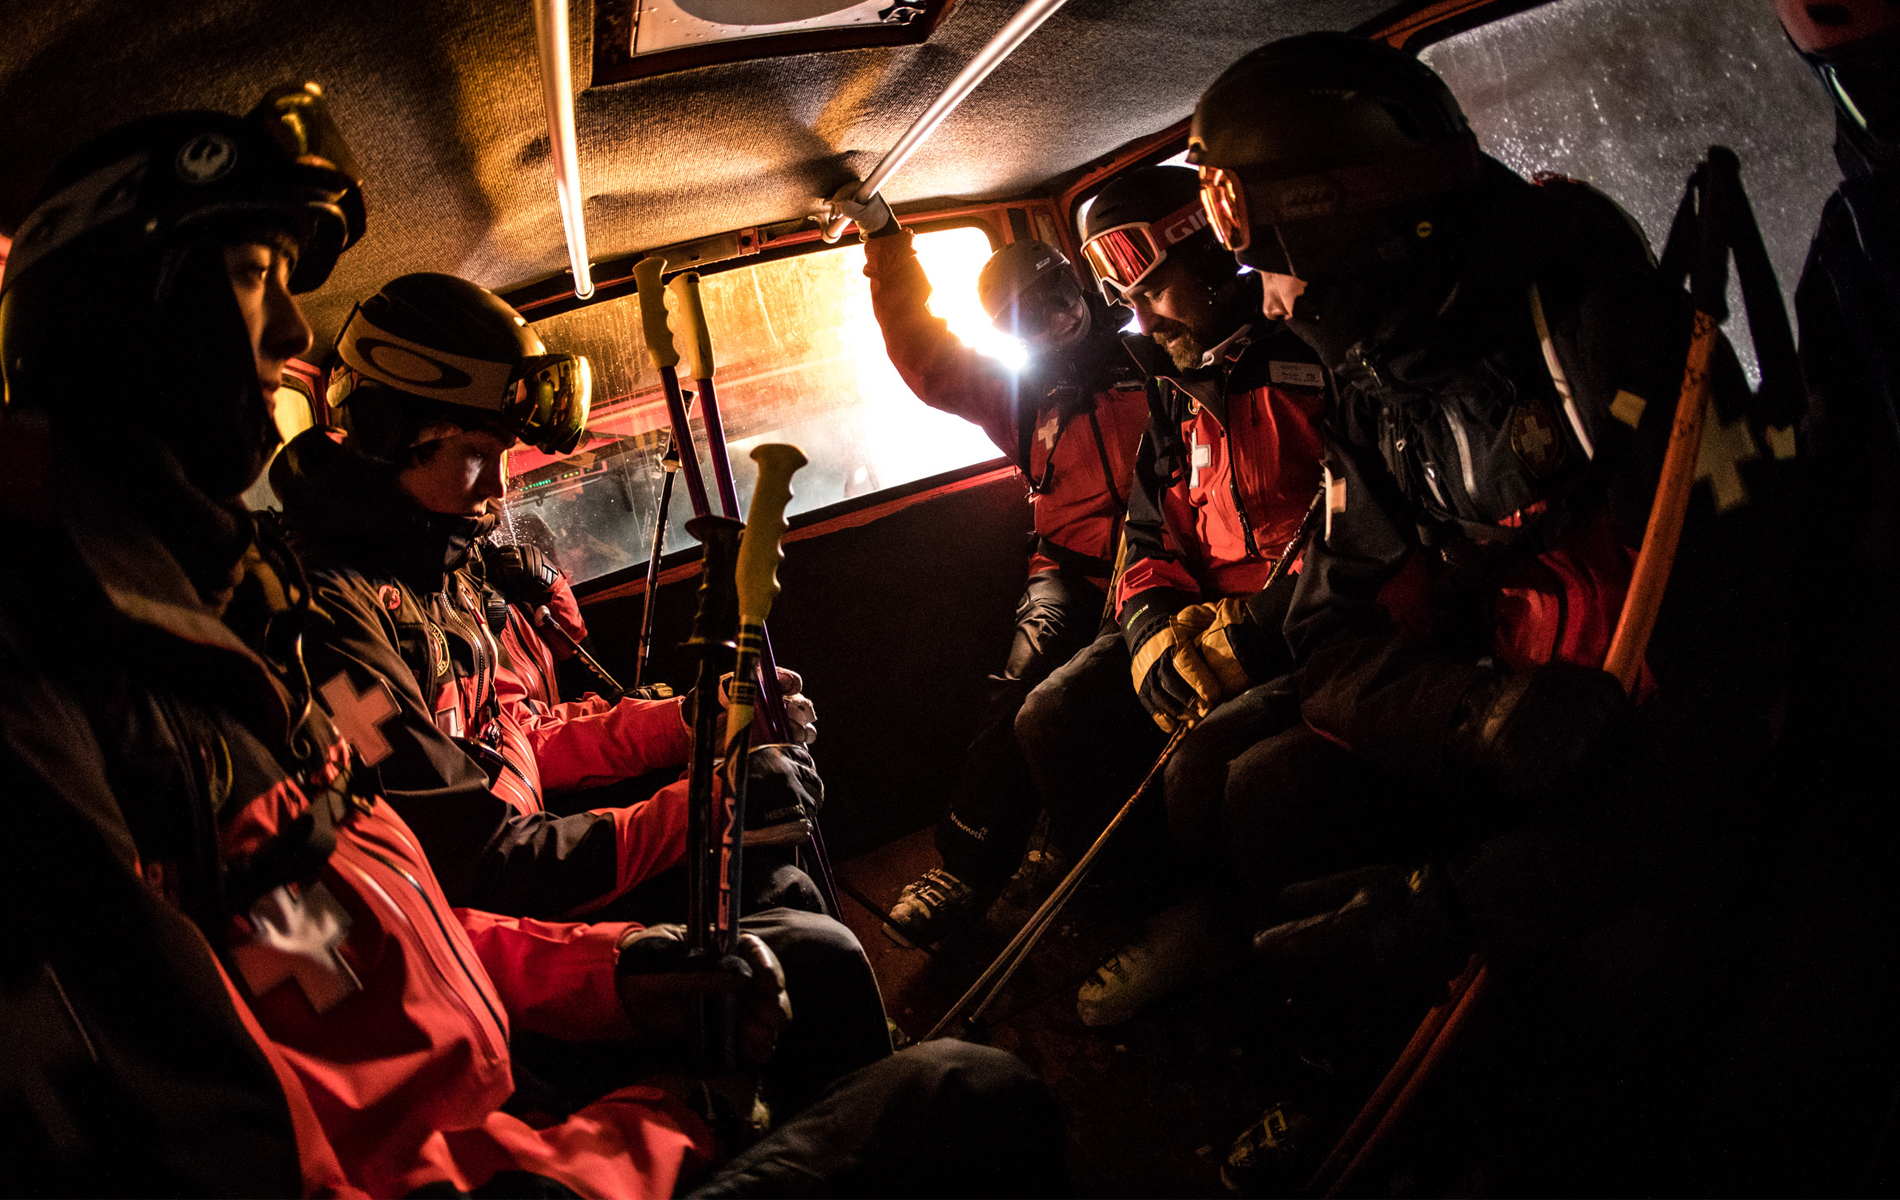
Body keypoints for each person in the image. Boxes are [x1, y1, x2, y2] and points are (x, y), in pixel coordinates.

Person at [0, 91, 1062, 1200]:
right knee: (955, 1086)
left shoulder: (268, 623)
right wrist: (665, 1103)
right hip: (508, 1095)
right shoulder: (299, 639)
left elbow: (381, 906)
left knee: (790, 899)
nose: (290, 336)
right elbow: (469, 854)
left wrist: (683, 748)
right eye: (254, 276)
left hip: (494, 1037)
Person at [1189, 32, 1799, 1191]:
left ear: (1341, 225)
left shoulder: (1601, 332)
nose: (1260, 294)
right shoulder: (1380, 382)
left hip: (1645, 744)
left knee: (1617, 972)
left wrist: (1489, 892)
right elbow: (1329, 636)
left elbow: (1739, 666)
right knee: (1270, 793)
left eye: (1259, 245)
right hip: (1516, 713)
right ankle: (1347, 1085)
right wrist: (1476, 716)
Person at [271, 272, 821, 922]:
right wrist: (702, 811)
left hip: (524, 863)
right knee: (801, 937)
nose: (499, 489)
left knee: (775, 880)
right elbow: (474, 864)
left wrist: (690, 724)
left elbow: (517, 737)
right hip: (476, 927)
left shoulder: (438, 567)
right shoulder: (327, 626)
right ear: (391, 437)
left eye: (503, 455)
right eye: (478, 453)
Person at [1011, 164, 1330, 1027]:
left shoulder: (1309, 352)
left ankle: (1236, 930)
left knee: (1204, 770)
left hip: (1302, 621)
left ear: (1214, 258)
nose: (1142, 321)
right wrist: (1151, 627)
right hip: (1201, 617)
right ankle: (1166, 914)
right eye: (1129, 300)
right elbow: (1148, 532)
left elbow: (1358, 526)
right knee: (1051, 714)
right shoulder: (1172, 383)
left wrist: (1256, 630)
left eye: (1153, 291)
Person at [832, 189, 1149, 946]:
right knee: (1021, 682)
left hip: (1166, 554)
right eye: (1027, 312)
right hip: (1070, 570)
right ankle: (968, 869)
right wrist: (884, 237)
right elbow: (923, 351)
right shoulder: (1019, 392)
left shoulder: (1151, 353)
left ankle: (1102, 868)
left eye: (1057, 289)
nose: (1054, 312)